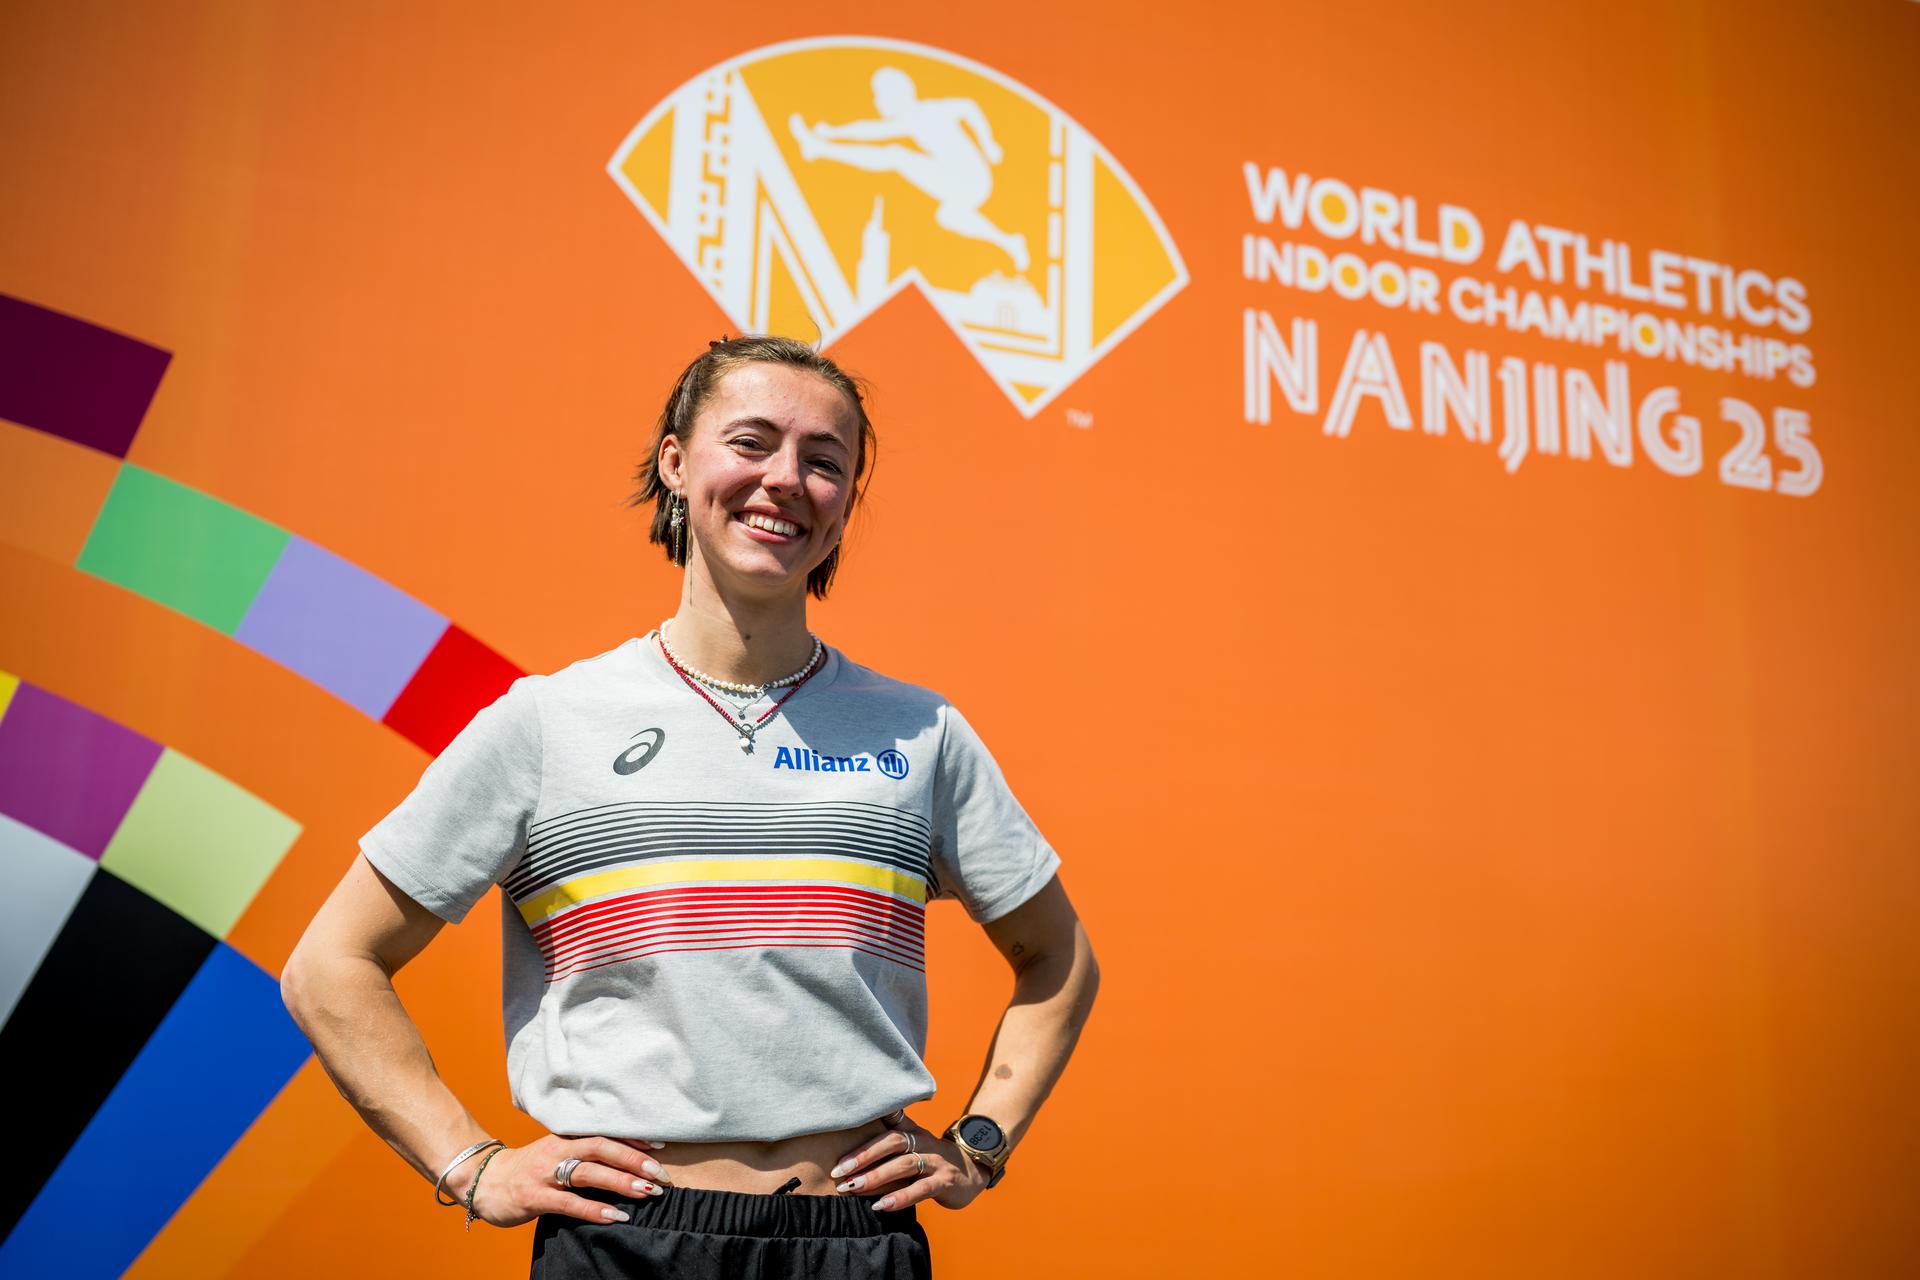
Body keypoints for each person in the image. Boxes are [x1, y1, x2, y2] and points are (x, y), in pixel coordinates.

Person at [281, 334, 1100, 1278]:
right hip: (624, 1243)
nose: (785, 479)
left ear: (845, 507)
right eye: (751, 442)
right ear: (676, 462)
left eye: (824, 462)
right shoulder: (550, 722)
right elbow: (330, 966)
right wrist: (471, 1164)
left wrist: (979, 1146)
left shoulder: (922, 733)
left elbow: (1058, 961)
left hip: (857, 1247)